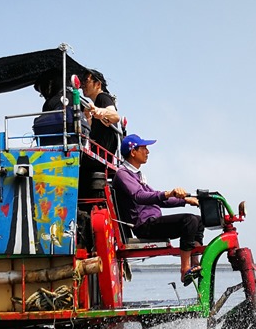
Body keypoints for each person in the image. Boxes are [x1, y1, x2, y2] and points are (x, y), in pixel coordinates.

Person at [112, 134, 204, 285]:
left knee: (198, 221)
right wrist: (169, 193)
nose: (147, 151)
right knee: (189, 221)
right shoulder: (123, 174)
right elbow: (140, 196)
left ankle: (194, 263)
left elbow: (159, 199)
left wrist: (185, 200)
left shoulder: (137, 176)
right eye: (144, 148)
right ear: (133, 152)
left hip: (153, 222)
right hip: (145, 226)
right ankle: (184, 270)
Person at [79, 69, 121, 198]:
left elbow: (115, 116)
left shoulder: (103, 98)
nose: (82, 85)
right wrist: (89, 115)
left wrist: (98, 110)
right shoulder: (95, 103)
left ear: (98, 84)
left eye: (86, 80)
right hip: (102, 155)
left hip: (99, 155)